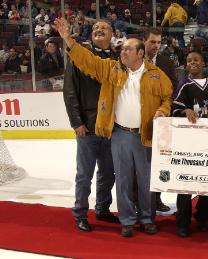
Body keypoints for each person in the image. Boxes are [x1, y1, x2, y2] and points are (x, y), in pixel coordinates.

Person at [54, 17, 173, 237]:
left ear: (140, 53)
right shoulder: (112, 69)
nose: (123, 52)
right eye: (122, 49)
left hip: (145, 135)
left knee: (145, 180)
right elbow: (88, 61)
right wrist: (68, 39)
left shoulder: (156, 74)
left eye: (128, 49)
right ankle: (127, 220)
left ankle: (147, 218)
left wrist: (163, 110)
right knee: (124, 179)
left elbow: (167, 97)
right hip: (119, 134)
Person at [63, 20, 119, 232]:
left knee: (108, 172)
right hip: (87, 126)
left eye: (104, 28)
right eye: (96, 28)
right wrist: (77, 122)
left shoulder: (117, 58)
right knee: (84, 174)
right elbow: (70, 92)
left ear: (112, 34)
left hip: (111, 127)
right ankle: (80, 213)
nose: (99, 30)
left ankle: (103, 209)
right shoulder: (79, 56)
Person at [172, 50, 208, 237]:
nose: (192, 63)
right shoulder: (183, 85)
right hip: (188, 143)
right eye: (188, 61)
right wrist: (184, 110)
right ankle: (182, 222)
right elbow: (175, 109)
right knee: (185, 183)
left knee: (207, 182)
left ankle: (203, 217)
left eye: (196, 60)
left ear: (204, 63)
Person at [143, 27, 177, 214]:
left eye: (158, 42)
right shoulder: (134, 60)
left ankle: (156, 200)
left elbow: (171, 92)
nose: (156, 46)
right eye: (152, 42)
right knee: (140, 165)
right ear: (144, 41)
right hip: (138, 122)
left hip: (161, 121)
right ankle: (141, 201)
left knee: (157, 164)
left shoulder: (167, 62)